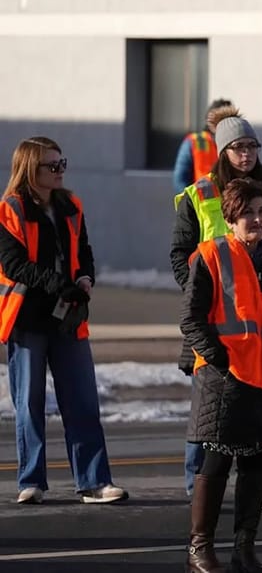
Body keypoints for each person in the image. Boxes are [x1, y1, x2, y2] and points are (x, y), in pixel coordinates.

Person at [171, 105, 262, 513]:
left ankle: (251, 492)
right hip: (212, 323)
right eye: (239, 147)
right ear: (223, 151)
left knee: (254, 418)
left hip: (260, 329)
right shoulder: (200, 194)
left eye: (252, 146)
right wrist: (202, 295)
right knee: (209, 415)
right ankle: (200, 491)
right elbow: (180, 255)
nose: (247, 154)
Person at [180, 178, 262, 573]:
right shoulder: (211, 255)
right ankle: (199, 548)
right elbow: (191, 318)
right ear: (231, 218)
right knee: (216, 463)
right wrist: (219, 358)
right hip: (224, 377)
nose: (257, 218)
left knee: (255, 465)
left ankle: (244, 548)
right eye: (247, 212)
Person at [0, 136, 128, 506]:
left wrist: (85, 278)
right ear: (30, 169)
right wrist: (58, 284)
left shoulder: (71, 205)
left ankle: (94, 482)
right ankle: (31, 482)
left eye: (62, 164)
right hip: (28, 318)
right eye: (52, 165)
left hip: (67, 316)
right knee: (29, 404)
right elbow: (14, 264)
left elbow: (84, 250)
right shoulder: (10, 209)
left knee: (83, 401)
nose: (60, 171)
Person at [173, 98, 233, 194]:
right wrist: (189, 200)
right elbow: (180, 179)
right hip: (202, 201)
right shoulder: (195, 141)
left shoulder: (236, 143)